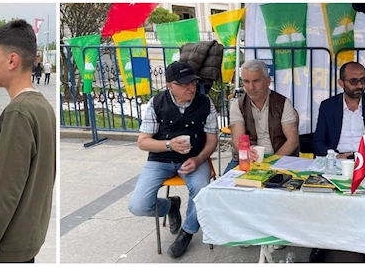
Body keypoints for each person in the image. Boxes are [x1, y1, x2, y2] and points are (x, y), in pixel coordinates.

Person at [0, 20, 55, 263]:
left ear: (12, 61)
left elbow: (5, 189)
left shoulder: (18, 112)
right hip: (28, 242)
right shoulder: (43, 107)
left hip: (6, 249)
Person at [127, 62, 218, 259]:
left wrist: (199, 158)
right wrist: (169, 145)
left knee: (202, 191)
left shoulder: (205, 103)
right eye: (184, 84)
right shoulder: (156, 103)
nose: (191, 88)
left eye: (193, 82)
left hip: (194, 159)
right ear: (169, 85)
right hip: (160, 160)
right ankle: (171, 206)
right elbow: (143, 142)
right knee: (138, 206)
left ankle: (187, 231)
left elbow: (212, 140)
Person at [226, 59, 299, 172]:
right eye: (246, 81)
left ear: (268, 81)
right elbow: (237, 139)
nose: (251, 87)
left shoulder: (283, 103)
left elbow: (292, 141)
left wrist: (272, 163)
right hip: (249, 159)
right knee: (226, 186)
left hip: (280, 158)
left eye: (256, 81)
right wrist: (246, 150)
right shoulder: (238, 105)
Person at [313, 61, 365, 157]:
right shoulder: (328, 106)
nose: (359, 86)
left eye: (362, 80)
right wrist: (335, 156)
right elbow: (318, 142)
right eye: (353, 81)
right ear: (341, 83)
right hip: (337, 159)